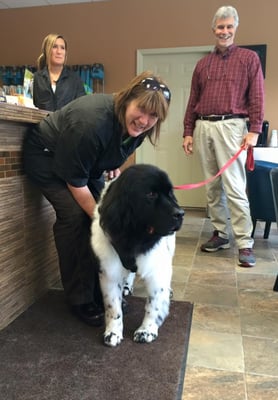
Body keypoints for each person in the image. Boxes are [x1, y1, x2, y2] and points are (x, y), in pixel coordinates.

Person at [23, 71, 171, 326]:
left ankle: (102, 288)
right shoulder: (91, 122)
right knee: (78, 218)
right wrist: (104, 220)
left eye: (154, 116)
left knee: (107, 214)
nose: (145, 120)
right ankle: (80, 298)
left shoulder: (142, 125)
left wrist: (112, 163)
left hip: (82, 164)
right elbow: (76, 182)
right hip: (45, 156)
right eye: (142, 110)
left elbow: (121, 147)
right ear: (128, 99)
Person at [182, 5, 264, 268]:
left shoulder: (249, 58)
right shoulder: (202, 64)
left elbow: (257, 97)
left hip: (233, 127)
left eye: (229, 26)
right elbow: (192, 99)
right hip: (203, 126)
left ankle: (244, 242)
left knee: (235, 187)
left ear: (235, 28)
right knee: (212, 186)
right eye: (220, 27)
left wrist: (254, 131)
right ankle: (220, 234)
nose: (224, 31)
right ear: (213, 29)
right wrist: (188, 131)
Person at [32, 33, 86, 111]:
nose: (59, 52)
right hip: (44, 122)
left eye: (62, 48)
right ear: (47, 50)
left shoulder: (74, 79)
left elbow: (82, 108)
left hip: (67, 123)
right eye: (54, 47)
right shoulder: (37, 78)